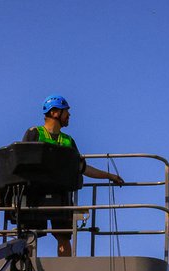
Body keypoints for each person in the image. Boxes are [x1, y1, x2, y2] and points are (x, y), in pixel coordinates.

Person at [21, 95, 124, 257]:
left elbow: (82, 168)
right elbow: (24, 161)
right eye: (66, 111)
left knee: (63, 235)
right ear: (55, 112)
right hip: (36, 194)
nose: (69, 115)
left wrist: (109, 176)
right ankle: (27, 266)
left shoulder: (68, 140)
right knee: (30, 234)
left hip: (61, 195)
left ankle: (64, 270)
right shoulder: (35, 133)